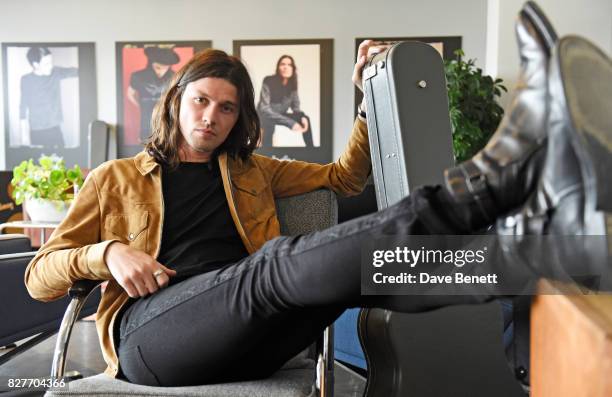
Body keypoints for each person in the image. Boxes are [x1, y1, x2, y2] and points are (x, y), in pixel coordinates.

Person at [24, 17, 609, 387]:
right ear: (176, 100)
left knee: (361, 274)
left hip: (253, 335)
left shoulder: (253, 170)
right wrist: (107, 253)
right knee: (276, 267)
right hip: (154, 339)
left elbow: (344, 177)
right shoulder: (117, 176)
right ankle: (499, 179)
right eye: (201, 101)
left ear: (240, 117)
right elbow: (39, 276)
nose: (211, 117)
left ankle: (559, 250)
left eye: (227, 108)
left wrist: (363, 102)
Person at [19, 46, 78, 148]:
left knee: (62, 160)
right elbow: (23, 106)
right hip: (37, 131)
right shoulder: (26, 80)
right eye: (46, 63)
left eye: (51, 62)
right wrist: (24, 136)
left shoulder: (56, 72)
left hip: (55, 128)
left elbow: (78, 71)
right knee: (40, 162)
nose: (50, 66)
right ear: (35, 65)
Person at [257, 55, 314, 147]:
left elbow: (296, 108)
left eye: (289, 64)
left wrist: (302, 116)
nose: (285, 67)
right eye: (282, 64)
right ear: (278, 67)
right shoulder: (268, 80)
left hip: (280, 115)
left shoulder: (293, 85)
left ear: (293, 68)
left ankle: (312, 152)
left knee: (305, 119)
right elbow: (264, 108)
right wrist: (291, 123)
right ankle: (268, 155)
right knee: (268, 123)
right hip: (265, 115)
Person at [127, 46, 180, 142]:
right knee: (145, 142)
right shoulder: (138, 76)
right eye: (158, 67)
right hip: (146, 117)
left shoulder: (174, 76)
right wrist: (140, 105)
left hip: (166, 117)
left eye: (165, 68)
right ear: (151, 64)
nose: (161, 71)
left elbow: (177, 96)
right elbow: (130, 94)